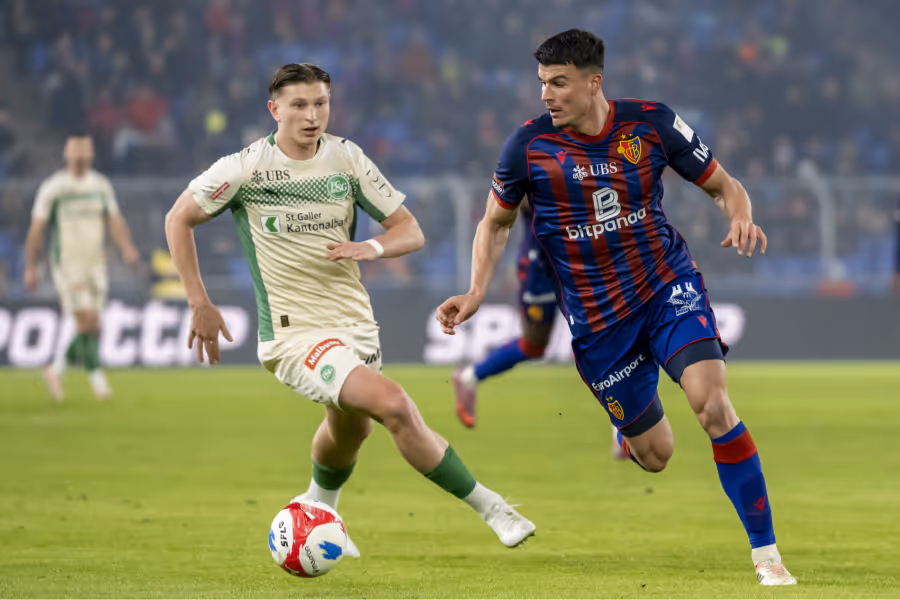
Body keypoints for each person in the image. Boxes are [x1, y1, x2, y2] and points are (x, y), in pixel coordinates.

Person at [437, 30, 795, 585]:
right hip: (600, 324)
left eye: (559, 83)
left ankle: (767, 556)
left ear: (593, 82)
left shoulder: (652, 124)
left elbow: (726, 186)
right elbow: (495, 222)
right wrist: (476, 291)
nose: (547, 95)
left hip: (665, 287)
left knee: (712, 405)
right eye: (542, 83)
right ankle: (629, 419)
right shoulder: (528, 146)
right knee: (655, 454)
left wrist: (740, 214)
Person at [164, 63, 535, 557]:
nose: (312, 115)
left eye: (320, 103)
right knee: (393, 404)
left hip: (355, 323)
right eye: (299, 105)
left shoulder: (346, 159)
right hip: (295, 334)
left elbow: (410, 230)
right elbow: (178, 218)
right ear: (274, 110)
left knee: (350, 430)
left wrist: (371, 248)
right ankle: (495, 509)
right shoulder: (245, 168)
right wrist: (199, 301)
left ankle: (318, 509)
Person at [452, 198, 626, 457]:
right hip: (539, 265)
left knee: (601, 338)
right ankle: (469, 376)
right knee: (533, 345)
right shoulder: (526, 171)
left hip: (582, 259)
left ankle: (622, 431)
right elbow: (514, 202)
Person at [24, 133, 139, 401]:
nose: (79, 154)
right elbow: (37, 228)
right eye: (75, 149)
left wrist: (127, 247)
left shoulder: (100, 186)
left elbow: (114, 220)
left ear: (91, 153)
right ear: (66, 153)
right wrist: (31, 266)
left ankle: (56, 369)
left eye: (84, 149)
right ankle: (99, 383)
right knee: (85, 320)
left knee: (93, 328)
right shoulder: (54, 188)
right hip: (68, 265)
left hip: (95, 265)